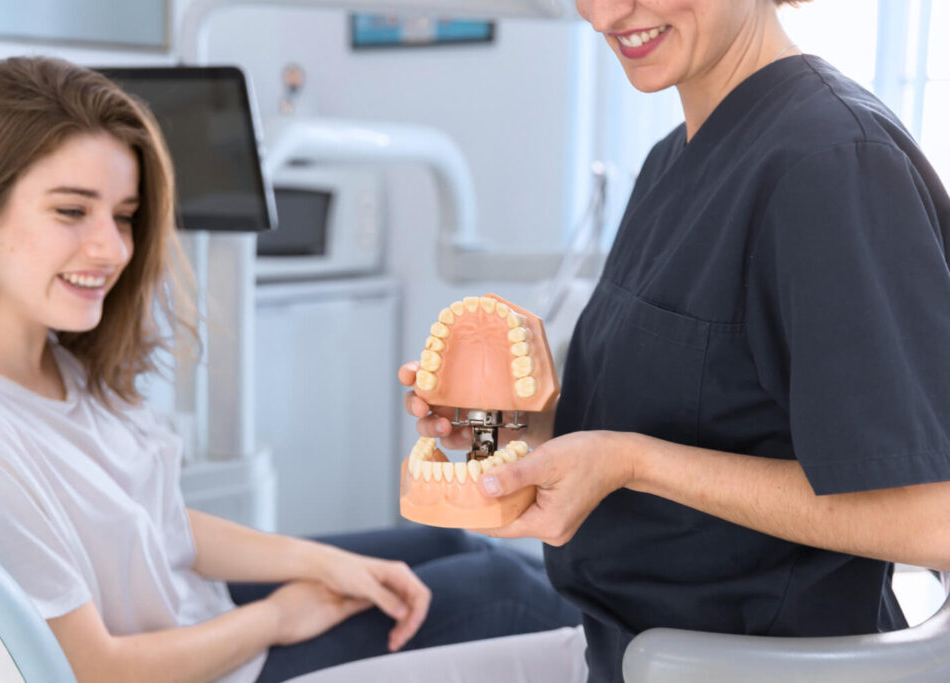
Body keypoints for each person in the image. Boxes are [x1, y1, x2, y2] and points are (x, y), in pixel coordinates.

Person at [0, 56, 580, 683]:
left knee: (468, 552)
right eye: (71, 210)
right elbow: (94, 670)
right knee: (503, 595)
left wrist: (322, 562)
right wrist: (275, 617)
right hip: (197, 665)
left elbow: (158, 523)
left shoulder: (59, 364)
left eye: (124, 217)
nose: (112, 247)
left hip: (198, 610)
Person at [395, 0, 950, 681]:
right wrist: (506, 427)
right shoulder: (670, 160)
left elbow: (934, 518)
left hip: (736, 662)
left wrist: (633, 462)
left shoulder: (833, 164)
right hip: (615, 643)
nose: (602, 15)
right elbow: (683, 414)